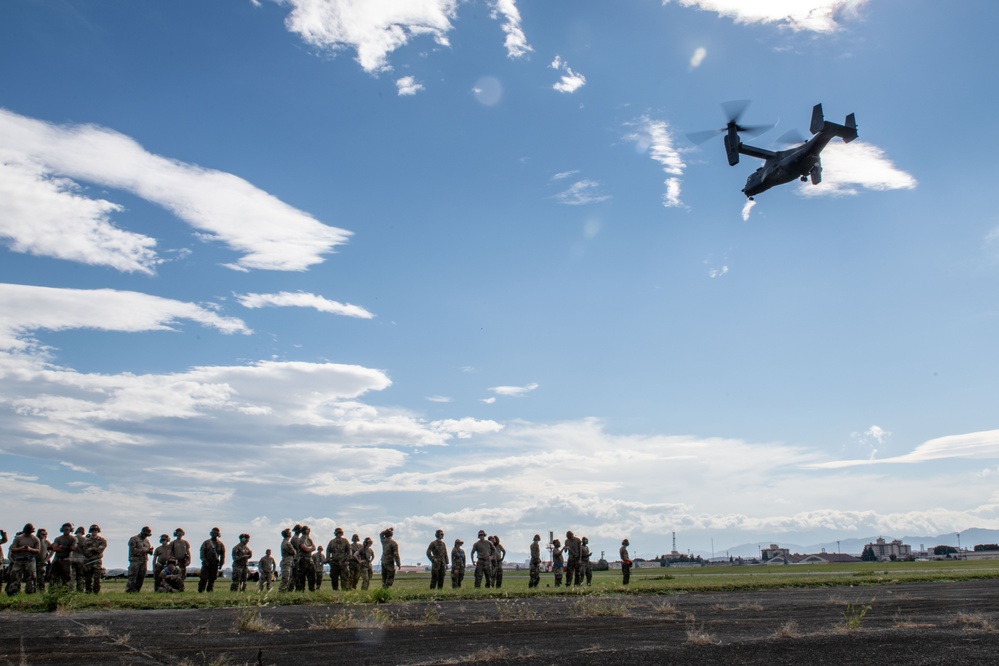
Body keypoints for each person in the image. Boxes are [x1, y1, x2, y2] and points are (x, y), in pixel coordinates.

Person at [5, 524, 40, 596]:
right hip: (19, 559)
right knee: (15, 575)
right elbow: (13, 549)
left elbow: (38, 550)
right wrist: (21, 548)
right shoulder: (18, 538)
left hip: (30, 559)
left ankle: (30, 591)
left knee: (31, 576)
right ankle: (13, 591)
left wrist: (30, 549)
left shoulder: (35, 539)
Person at [126, 526, 153, 593]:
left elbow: (148, 550)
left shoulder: (147, 541)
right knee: (132, 577)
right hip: (135, 561)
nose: (146, 536)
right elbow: (134, 551)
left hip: (144, 561)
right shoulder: (134, 539)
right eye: (145, 534)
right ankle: (129, 591)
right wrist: (145, 551)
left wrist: (150, 551)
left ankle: (136, 591)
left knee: (141, 577)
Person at [82, 524, 108, 594]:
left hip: (97, 561)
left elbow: (100, 550)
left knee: (97, 578)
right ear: (90, 531)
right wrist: (94, 550)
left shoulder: (102, 540)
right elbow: (86, 552)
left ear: (98, 531)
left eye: (95, 530)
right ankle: (88, 592)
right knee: (88, 578)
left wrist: (92, 549)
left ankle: (96, 592)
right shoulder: (86, 541)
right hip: (88, 562)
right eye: (93, 530)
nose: (94, 532)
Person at [49, 523, 76, 588]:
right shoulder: (58, 539)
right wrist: (67, 548)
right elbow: (55, 548)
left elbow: (73, 548)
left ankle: (66, 590)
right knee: (53, 576)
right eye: (65, 529)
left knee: (67, 577)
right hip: (57, 559)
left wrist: (62, 547)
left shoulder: (73, 539)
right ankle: (53, 590)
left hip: (67, 559)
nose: (66, 530)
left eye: (68, 529)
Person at [198, 527, 225, 593]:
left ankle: (210, 590)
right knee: (203, 578)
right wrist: (204, 561)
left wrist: (221, 564)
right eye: (213, 533)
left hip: (215, 563)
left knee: (212, 578)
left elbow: (222, 555)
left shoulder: (220, 544)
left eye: (215, 533)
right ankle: (201, 590)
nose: (214, 534)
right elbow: (202, 553)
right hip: (206, 563)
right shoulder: (206, 543)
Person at [295, 526, 316, 592]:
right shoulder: (301, 539)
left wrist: (309, 548)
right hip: (303, 560)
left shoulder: (309, 539)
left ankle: (312, 590)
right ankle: (301, 590)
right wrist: (310, 548)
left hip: (310, 559)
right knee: (301, 577)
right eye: (308, 530)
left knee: (312, 576)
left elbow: (314, 547)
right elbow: (305, 549)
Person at [34, 528, 51, 593]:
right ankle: (33, 590)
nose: (44, 535)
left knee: (41, 577)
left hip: (42, 562)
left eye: (45, 534)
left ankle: (41, 591)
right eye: (43, 534)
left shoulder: (46, 542)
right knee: (32, 577)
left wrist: (47, 559)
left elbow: (52, 550)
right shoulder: (35, 541)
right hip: (33, 562)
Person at [71, 526, 87, 592]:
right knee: (80, 575)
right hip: (81, 559)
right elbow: (86, 550)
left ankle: (71, 590)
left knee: (72, 575)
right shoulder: (85, 539)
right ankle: (80, 590)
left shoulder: (72, 538)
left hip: (72, 558)